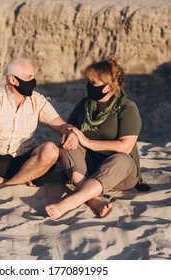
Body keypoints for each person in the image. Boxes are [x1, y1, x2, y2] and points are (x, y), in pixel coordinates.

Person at [0, 58, 78, 196]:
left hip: (26, 161)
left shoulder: (37, 100)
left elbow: (61, 125)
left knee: (51, 150)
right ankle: (10, 182)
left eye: (34, 77)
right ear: (12, 80)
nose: (33, 81)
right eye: (29, 77)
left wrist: (70, 133)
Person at [45, 57, 142, 220]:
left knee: (122, 159)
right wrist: (72, 136)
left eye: (94, 83)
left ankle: (71, 202)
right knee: (66, 146)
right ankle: (93, 199)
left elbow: (125, 147)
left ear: (109, 87)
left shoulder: (127, 108)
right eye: (88, 82)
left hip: (118, 172)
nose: (89, 86)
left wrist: (87, 141)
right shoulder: (85, 104)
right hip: (88, 169)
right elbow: (70, 128)